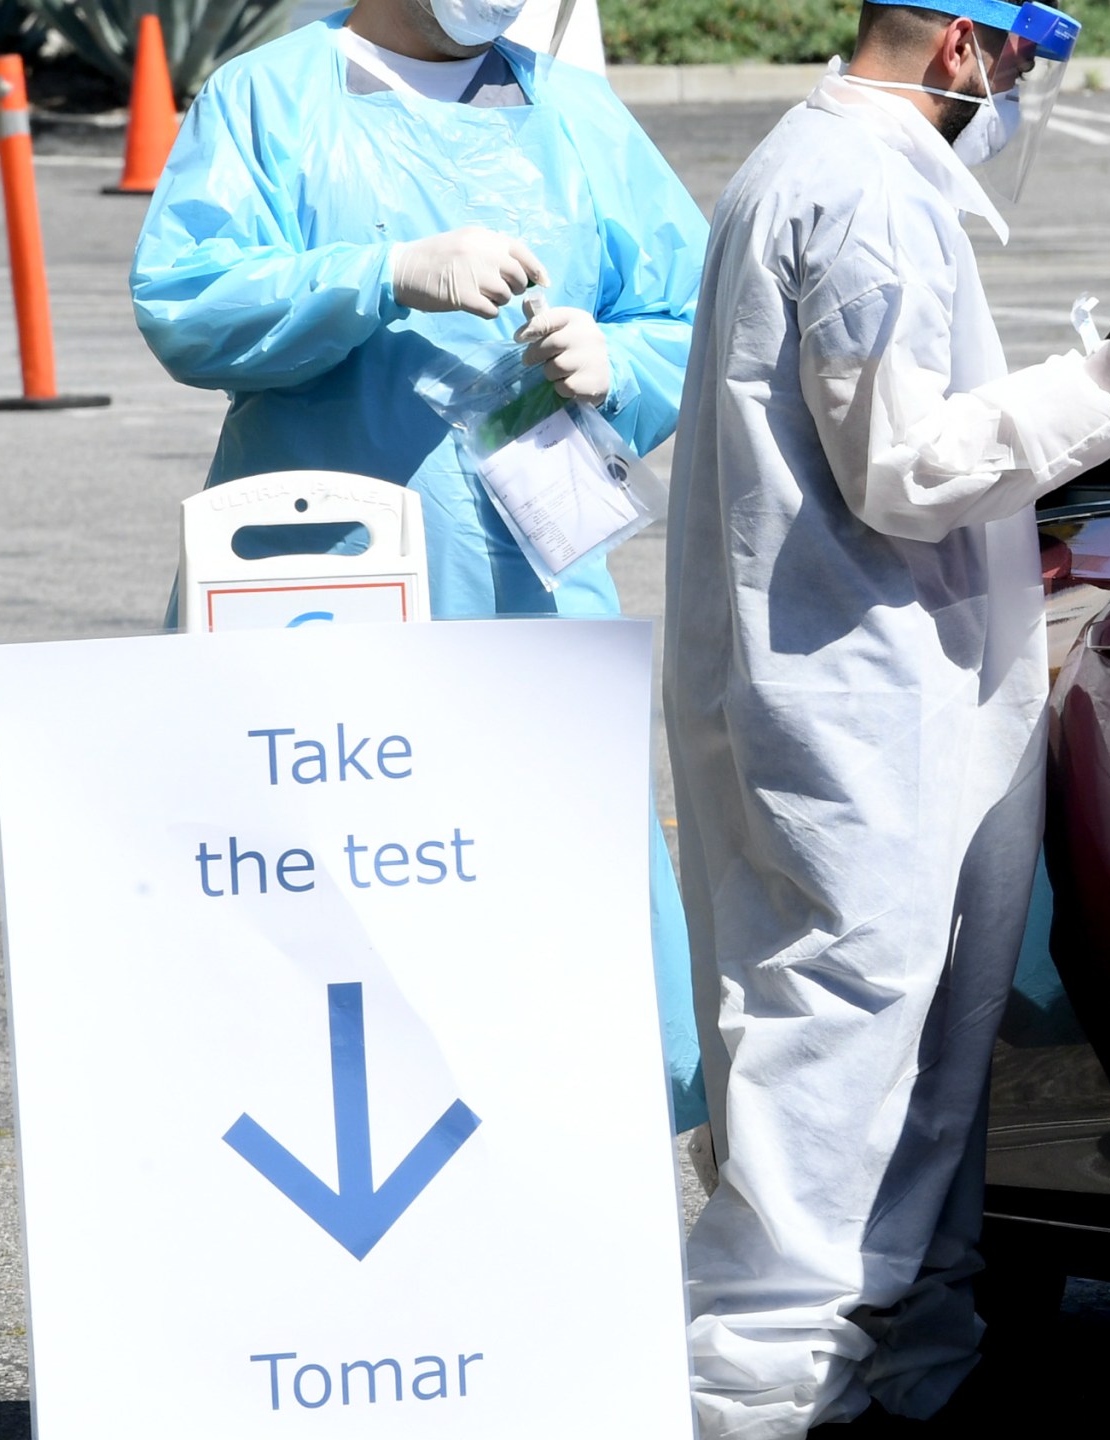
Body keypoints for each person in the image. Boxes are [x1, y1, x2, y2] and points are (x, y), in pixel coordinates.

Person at [660, 2, 1110, 1433]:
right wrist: (1100, 394)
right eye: (1017, 59)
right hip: (846, 700)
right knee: (834, 1047)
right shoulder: (860, 196)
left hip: (891, 685)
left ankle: (898, 1371)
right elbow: (902, 464)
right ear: (960, 46)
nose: (1018, 92)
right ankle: (756, 1393)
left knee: (927, 1054)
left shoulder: (831, 172)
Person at [129, 0, 708, 1120]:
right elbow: (187, 305)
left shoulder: (575, 113)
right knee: (316, 895)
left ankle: (568, 1160)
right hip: (317, 583)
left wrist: (620, 357)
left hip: (530, 583)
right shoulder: (272, 98)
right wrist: (378, 273)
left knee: (542, 879)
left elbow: (692, 311)